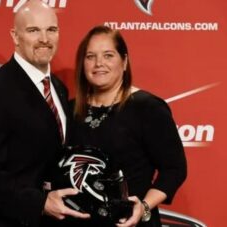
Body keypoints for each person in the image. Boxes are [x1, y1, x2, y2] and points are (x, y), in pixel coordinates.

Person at [0, 1, 89, 227]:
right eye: (33, 30)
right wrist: (39, 203)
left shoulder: (58, 87)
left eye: (51, 30)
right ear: (15, 36)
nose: (44, 39)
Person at [66, 25, 187, 227]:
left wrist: (145, 207)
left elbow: (174, 169)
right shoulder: (70, 109)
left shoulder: (147, 108)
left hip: (130, 222)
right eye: (90, 56)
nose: (98, 64)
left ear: (124, 62)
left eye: (108, 55)